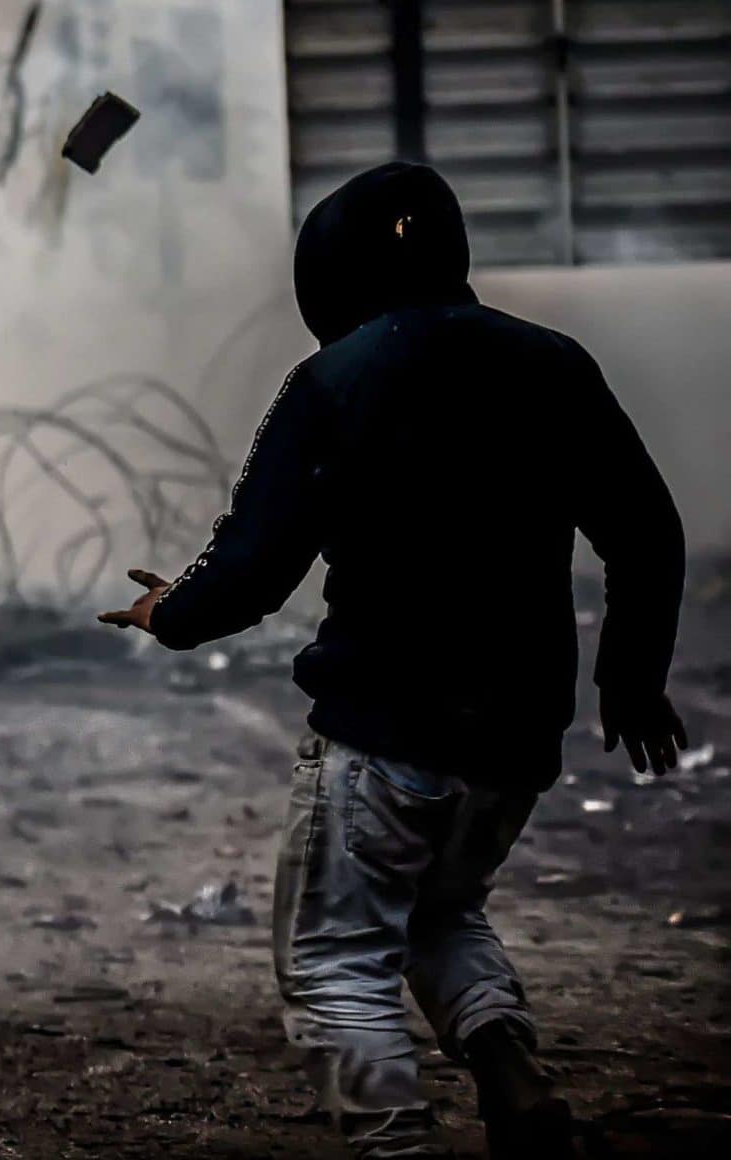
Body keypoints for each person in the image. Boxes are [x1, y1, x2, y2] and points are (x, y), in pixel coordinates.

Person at [99, 162, 686, 1160]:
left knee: (334, 959)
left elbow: (249, 566)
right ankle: (511, 1075)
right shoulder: (552, 362)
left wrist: (169, 611)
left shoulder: (333, 378)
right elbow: (646, 531)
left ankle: (394, 1141)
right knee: (438, 908)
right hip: (514, 743)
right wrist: (629, 675)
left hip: (383, 736)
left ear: (329, 273)